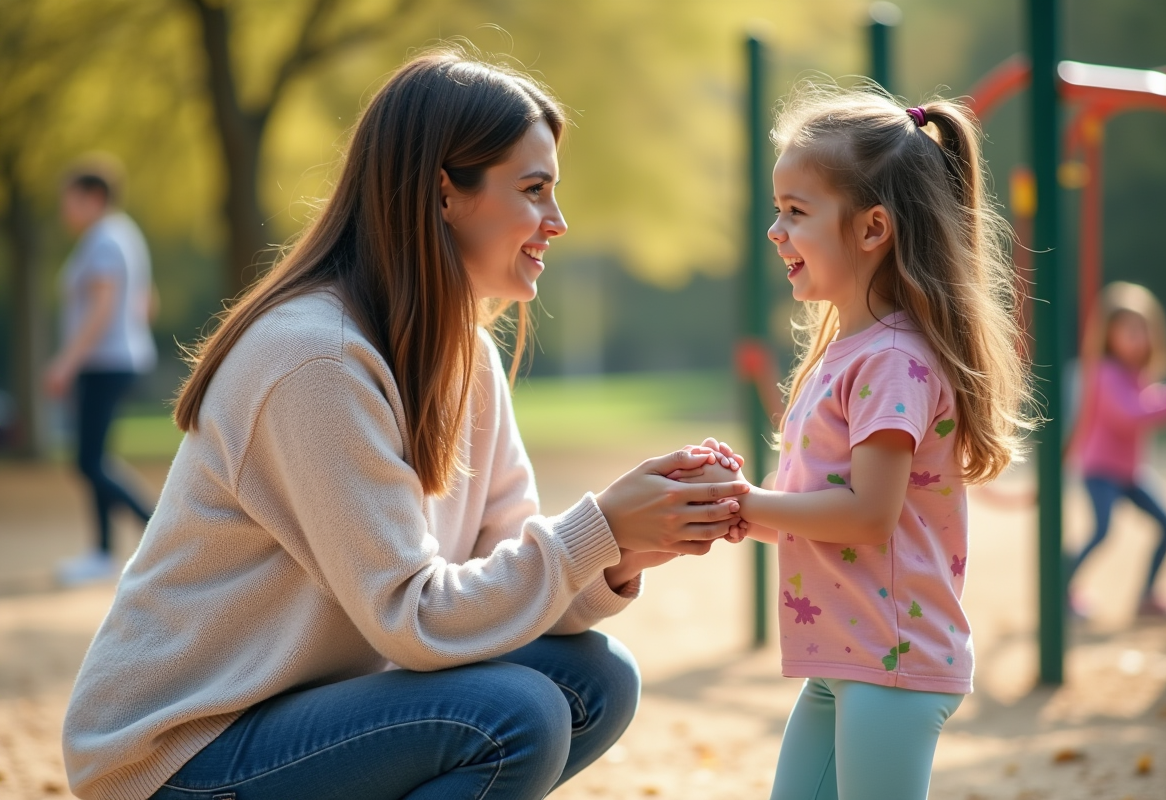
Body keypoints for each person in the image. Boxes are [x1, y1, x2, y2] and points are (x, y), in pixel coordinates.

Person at [62, 49, 750, 800]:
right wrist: (598, 527)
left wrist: (626, 546)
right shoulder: (313, 361)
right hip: (179, 751)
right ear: (444, 193)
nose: (557, 222)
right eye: (533, 190)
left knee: (596, 679)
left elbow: (505, 579)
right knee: (513, 715)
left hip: (310, 713)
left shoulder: (467, 357)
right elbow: (414, 618)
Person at [687, 88, 1033, 799]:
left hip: (891, 663)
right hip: (848, 656)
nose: (774, 231)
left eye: (795, 211)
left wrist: (752, 504)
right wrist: (740, 509)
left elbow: (868, 514)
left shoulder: (891, 360)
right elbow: (831, 517)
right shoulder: (844, 353)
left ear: (873, 228)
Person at [46, 162, 157, 585]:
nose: (65, 210)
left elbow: (102, 305)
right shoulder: (123, 235)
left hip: (104, 362)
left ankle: (154, 530)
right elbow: (147, 301)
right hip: (117, 357)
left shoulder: (104, 240)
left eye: (69, 200)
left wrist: (66, 361)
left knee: (88, 460)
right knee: (95, 457)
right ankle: (103, 552)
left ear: (93, 198)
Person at [1067, 282, 1166, 618]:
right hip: (1100, 470)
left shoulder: (1136, 374)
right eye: (1128, 330)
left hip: (1129, 472)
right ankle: (1062, 590)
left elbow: (1144, 405)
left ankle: (1147, 596)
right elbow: (1130, 415)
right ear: (1108, 335)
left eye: (1143, 330)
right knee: (1101, 531)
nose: (1138, 338)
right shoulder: (1104, 372)